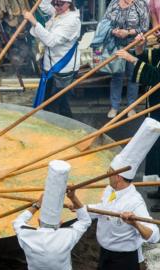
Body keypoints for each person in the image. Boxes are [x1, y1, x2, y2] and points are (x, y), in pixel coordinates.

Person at [88, 117, 160, 270]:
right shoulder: (110, 190)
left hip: (123, 261)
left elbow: (154, 235)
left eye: (109, 172)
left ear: (118, 177)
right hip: (105, 254)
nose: (107, 174)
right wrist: (79, 206)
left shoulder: (134, 201)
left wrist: (135, 223)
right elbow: (103, 208)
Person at [12, 160, 91, 270]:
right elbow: (85, 221)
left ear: (39, 221)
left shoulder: (27, 235)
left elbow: (17, 222)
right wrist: (73, 197)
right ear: (60, 223)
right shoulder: (67, 236)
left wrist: (37, 205)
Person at [116, 34, 160, 211]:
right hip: (156, 106)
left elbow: (156, 75)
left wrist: (132, 59)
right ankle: (159, 187)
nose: (157, 34)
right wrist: (140, 49)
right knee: (156, 148)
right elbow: (152, 60)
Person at [23, 0, 81, 118]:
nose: (56, 6)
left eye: (60, 4)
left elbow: (51, 41)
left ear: (69, 3)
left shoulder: (72, 21)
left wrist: (34, 22)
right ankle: (70, 127)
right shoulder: (58, 12)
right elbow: (43, 4)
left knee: (52, 104)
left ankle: (58, 129)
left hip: (62, 68)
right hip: (52, 65)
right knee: (59, 103)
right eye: (55, 3)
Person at [102, 0, 148, 118]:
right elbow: (104, 23)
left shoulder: (140, 4)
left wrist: (127, 32)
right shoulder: (114, 3)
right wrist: (114, 31)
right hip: (117, 45)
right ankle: (114, 106)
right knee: (117, 75)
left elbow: (145, 27)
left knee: (133, 76)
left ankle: (131, 107)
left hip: (135, 46)